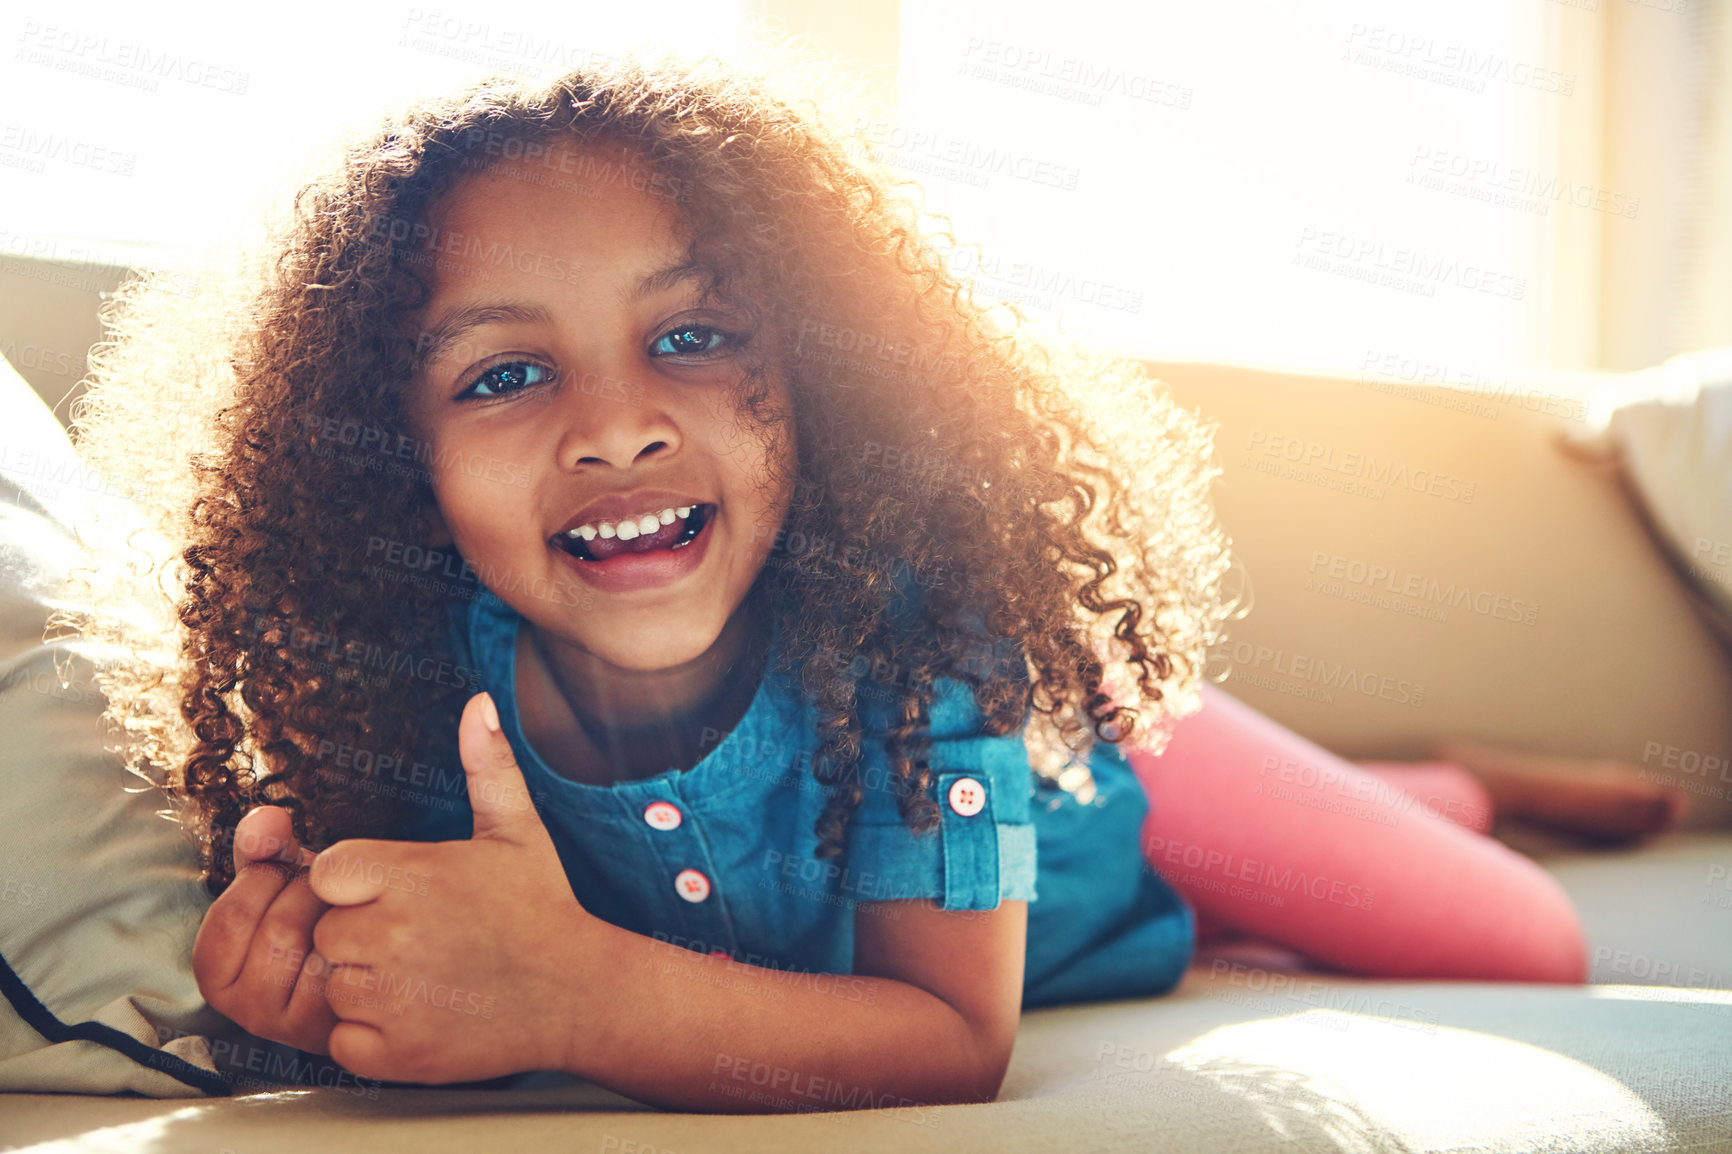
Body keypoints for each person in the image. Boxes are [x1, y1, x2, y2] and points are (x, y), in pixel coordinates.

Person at [74, 57, 1594, 1113]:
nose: (616, 425)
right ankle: (1381, 799)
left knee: (1533, 944)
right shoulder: (401, 692)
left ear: (822, 373)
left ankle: (1449, 782)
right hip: (1046, 854)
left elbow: (949, 1036)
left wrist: (574, 995)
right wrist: (297, 997)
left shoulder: (927, 634)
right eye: (508, 372)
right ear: (393, 455)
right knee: (1238, 912)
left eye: (690, 336)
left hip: (1096, 758)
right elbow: (432, 978)